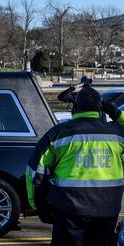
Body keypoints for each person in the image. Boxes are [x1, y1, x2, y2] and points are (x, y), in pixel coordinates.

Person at [26, 86, 124, 245]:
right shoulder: (117, 133)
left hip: (69, 211)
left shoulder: (57, 134)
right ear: (100, 108)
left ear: (75, 107)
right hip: (107, 210)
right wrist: (115, 112)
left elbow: (35, 173)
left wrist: (38, 206)